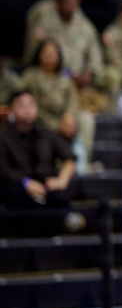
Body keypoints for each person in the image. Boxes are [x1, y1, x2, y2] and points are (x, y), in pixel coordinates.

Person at [0, 91, 81, 232]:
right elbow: (3, 169)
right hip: (18, 187)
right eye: (21, 105)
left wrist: (61, 180)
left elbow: (69, 158)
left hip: (46, 186)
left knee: (65, 191)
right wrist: (26, 183)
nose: (27, 109)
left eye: (30, 105)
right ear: (12, 109)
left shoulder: (47, 134)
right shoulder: (4, 137)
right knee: (12, 192)